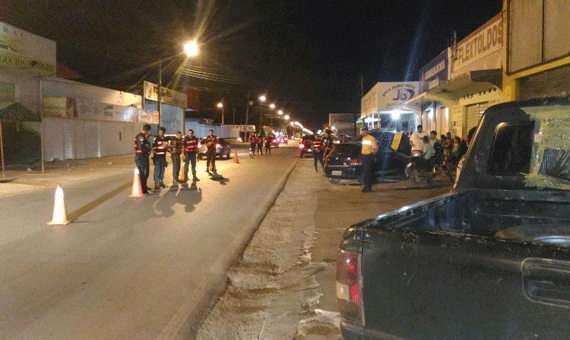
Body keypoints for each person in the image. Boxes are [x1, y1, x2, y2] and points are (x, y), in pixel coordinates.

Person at [134, 124, 151, 194]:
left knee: (144, 173)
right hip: (141, 157)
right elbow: (141, 147)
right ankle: (143, 189)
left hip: (141, 156)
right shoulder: (141, 137)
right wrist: (148, 150)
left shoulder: (141, 136)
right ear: (147, 131)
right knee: (144, 173)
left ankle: (144, 187)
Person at [360, 127, 378, 193]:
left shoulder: (371, 138)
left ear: (367, 131)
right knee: (365, 172)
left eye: (365, 131)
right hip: (364, 156)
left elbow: (375, 148)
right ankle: (366, 186)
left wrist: (372, 155)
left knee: (368, 172)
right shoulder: (363, 138)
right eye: (363, 131)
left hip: (369, 156)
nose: (364, 132)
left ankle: (368, 187)